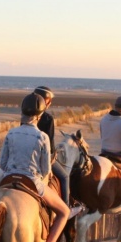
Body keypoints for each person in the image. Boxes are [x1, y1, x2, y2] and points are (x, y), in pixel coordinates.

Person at [0, 92, 70, 242]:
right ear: (40, 115)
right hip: (32, 181)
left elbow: (2, 163)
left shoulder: (11, 133)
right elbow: (45, 170)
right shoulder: (42, 136)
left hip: (8, 178)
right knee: (64, 212)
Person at [33, 85, 82, 218]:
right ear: (46, 101)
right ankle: (67, 208)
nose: (50, 104)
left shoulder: (26, 115)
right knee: (65, 176)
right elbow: (49, 144)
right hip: (41, 158)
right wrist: (54, 155)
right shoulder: (48, 119)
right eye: (49, 101)